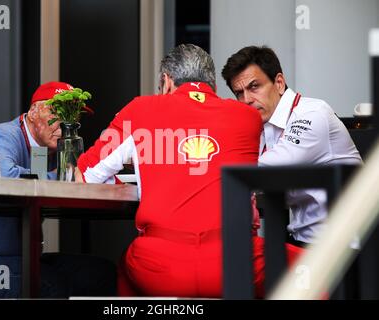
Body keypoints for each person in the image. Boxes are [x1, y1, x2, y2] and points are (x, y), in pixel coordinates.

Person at [74, 44, 302, 298]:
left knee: (127, 270)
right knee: (311, 266)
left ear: (166, 82)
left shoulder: (139, 109)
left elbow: (84, 175)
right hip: (236, 262)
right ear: (213, 86)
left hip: (160, 265)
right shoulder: (248, 117)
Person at [0, 82, 116, 298]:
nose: (66, 123)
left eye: (73, 115)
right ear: (34, 111)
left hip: (17, 259)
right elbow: (4, 177)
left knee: (101, 273)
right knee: (48, 285)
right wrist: (63, 177)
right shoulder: (4, 135)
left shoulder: (52, 151)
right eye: (57, 112)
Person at [221, 46, 362, 247]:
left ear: (279, 83)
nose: (247, 100)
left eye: (254, 87)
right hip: (304, 239)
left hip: (347, 246)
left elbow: (269, 170)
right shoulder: (263, 124)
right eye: (239, 93)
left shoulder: (312, 113)